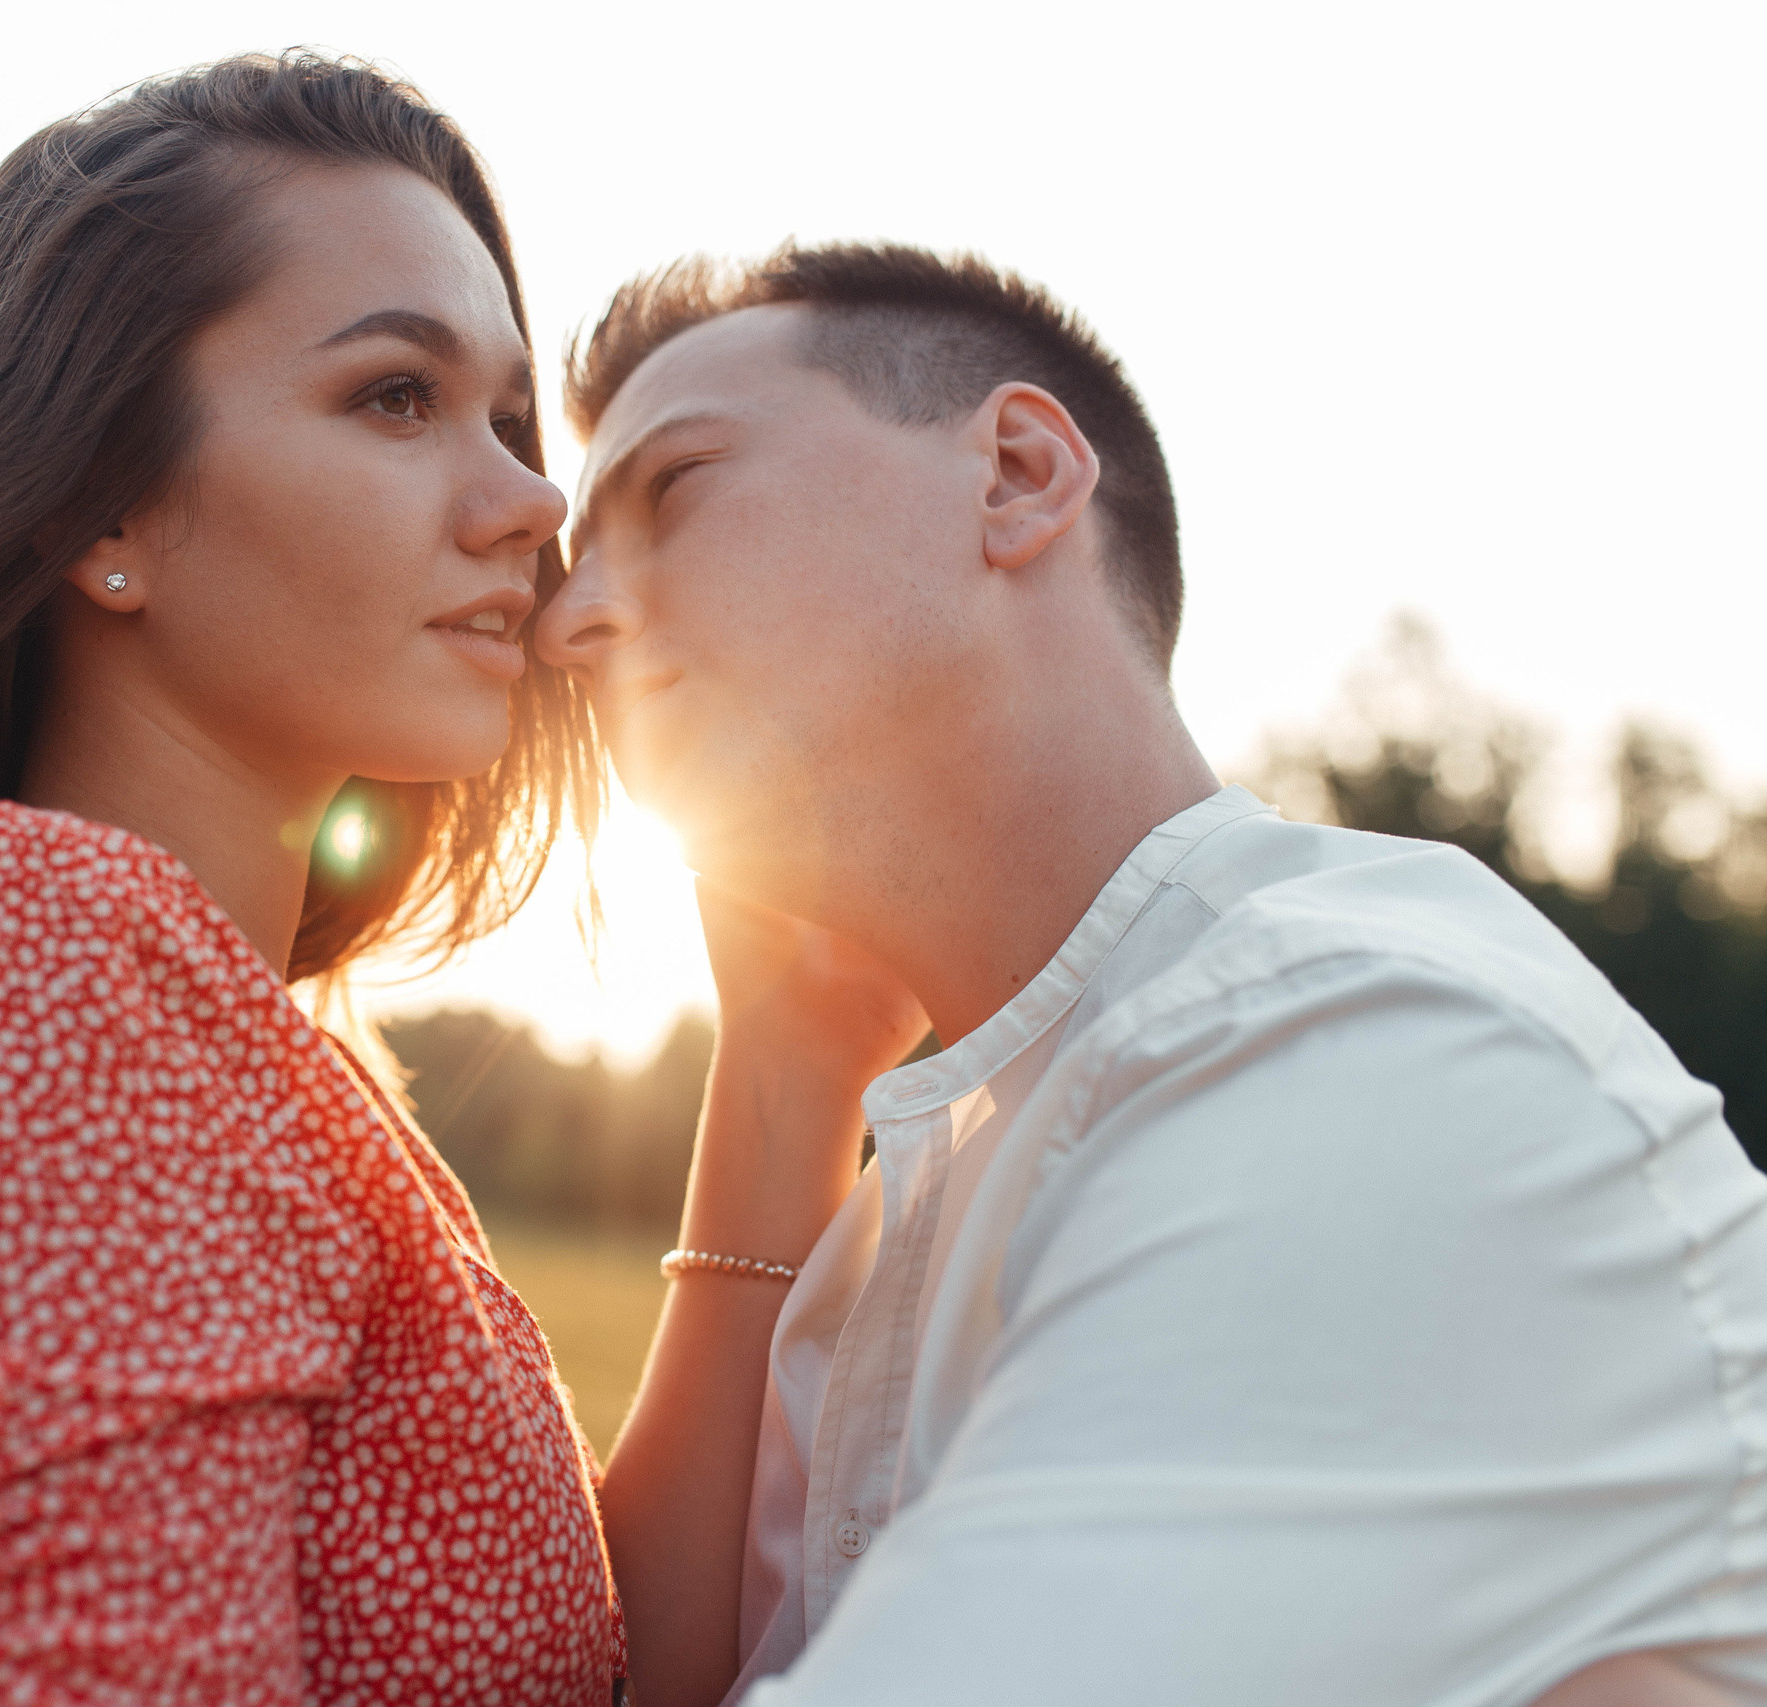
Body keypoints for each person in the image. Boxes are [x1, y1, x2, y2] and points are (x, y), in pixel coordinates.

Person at [538, 241, 1767, 1707]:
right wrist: (784, 1075)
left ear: (1016, 473)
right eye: (569, 573)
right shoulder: (912, 1200)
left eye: (672, 488)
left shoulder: (1357, 1042)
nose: (567, 625)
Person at [0, 53, 621, 1705]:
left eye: (509, 418)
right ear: (105, 509)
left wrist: (787, 1047)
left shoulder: (266, 1049)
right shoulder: (9, 960)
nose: (531, 498)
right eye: (394, 397)